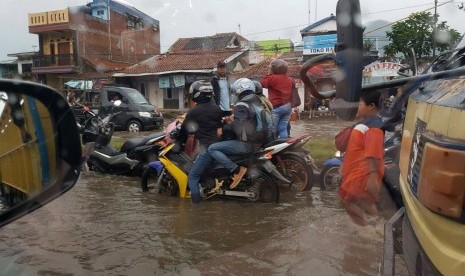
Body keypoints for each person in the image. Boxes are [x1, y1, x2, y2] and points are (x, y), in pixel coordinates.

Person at [208, 78, 265, 190]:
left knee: (212, 149)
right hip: (259, 142)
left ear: (238, 90)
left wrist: (225, 128)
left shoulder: (241, 104)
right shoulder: (256, 101)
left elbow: (239, 128)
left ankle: (236, 170)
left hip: (247, 144)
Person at [339, 91, 385, 226]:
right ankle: (377, 228)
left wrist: (372, 177)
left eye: (359, 103)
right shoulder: (368, 123)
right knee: (366, 202)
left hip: (362, 174)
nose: (357, 107)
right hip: (359, 172)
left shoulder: (373, 127)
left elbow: (373, 153)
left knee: (346, 200)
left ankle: (365, 230)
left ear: (371, 106)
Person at [181, 81, 223, 203]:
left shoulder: (193, 111)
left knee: (193, 177)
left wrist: (180, 140)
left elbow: (185, 130)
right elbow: (219, 127)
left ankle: (196, 208)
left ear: (197, 94)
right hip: (217, 147)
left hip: (206, 149)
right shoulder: (217, 109)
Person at [260, 59, 293, 138]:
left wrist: (268, 74)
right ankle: (284, 144)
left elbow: (262, 83)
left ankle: (274, 145)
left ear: (273, 69)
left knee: (272, 129)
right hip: (288, 106)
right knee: (283, 128)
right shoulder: (290, 79)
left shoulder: (271, 78)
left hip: (276, 107)